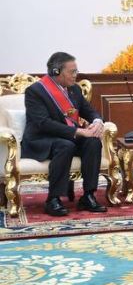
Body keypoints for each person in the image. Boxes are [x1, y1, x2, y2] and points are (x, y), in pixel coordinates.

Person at [22, 52, 107, 217]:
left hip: (68, 136)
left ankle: (88, 196)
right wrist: (78, 131)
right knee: (65, 145)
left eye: (76, 71)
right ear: (56, 72)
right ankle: (53, 199)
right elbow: (43, 123)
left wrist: (97, 122)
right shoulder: (35, 91)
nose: (76, 75)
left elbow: (89, 111)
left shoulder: (74, 89)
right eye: (72, 72)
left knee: (93, 141)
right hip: (43, 139)